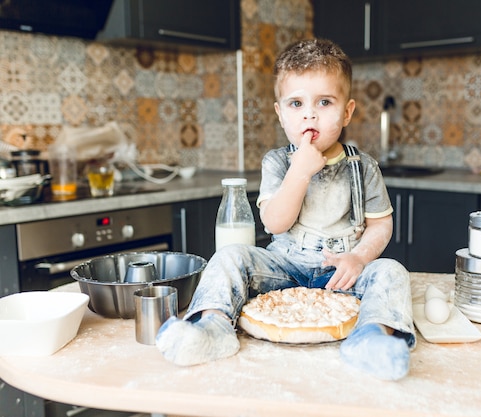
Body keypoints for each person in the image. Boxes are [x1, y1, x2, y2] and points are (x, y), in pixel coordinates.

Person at [156, 38, 416, 381]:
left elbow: (381, 226)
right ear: (280, 113)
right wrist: (300, 171)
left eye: (324, 102)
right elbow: (275, 223)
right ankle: (213, 327)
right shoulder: (277, 162)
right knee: (230, 256)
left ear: (348, 111)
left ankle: (371, 338)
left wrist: (359, 258)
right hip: (285, 267)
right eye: (296, 103)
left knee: (393, 272)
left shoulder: (362, 167)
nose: (309, 113)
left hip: (340, 274)